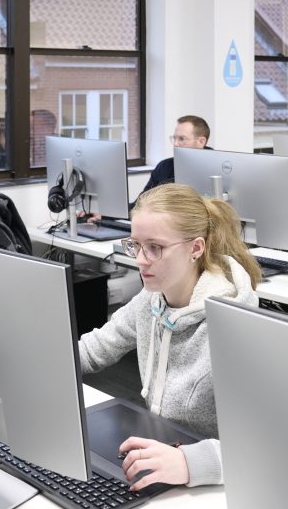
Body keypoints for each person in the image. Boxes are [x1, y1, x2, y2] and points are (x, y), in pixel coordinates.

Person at [77, 183, 261, 489]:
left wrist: (193, 462)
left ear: (196, 248)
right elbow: (94, 350)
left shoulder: (235, 328)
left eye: (155, 247)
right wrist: (36, 368)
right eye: (135, 244)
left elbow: (266, 447)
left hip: (218, 483)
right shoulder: (151, 301)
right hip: (163, 457)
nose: (140, 259)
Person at [79, 115, 211, 222]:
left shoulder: (213, 169)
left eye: (182, 139)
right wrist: (104, 214)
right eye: (174, 138)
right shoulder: (164, 167)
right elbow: (140, 206)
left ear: (201, 142)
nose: (175, 144)